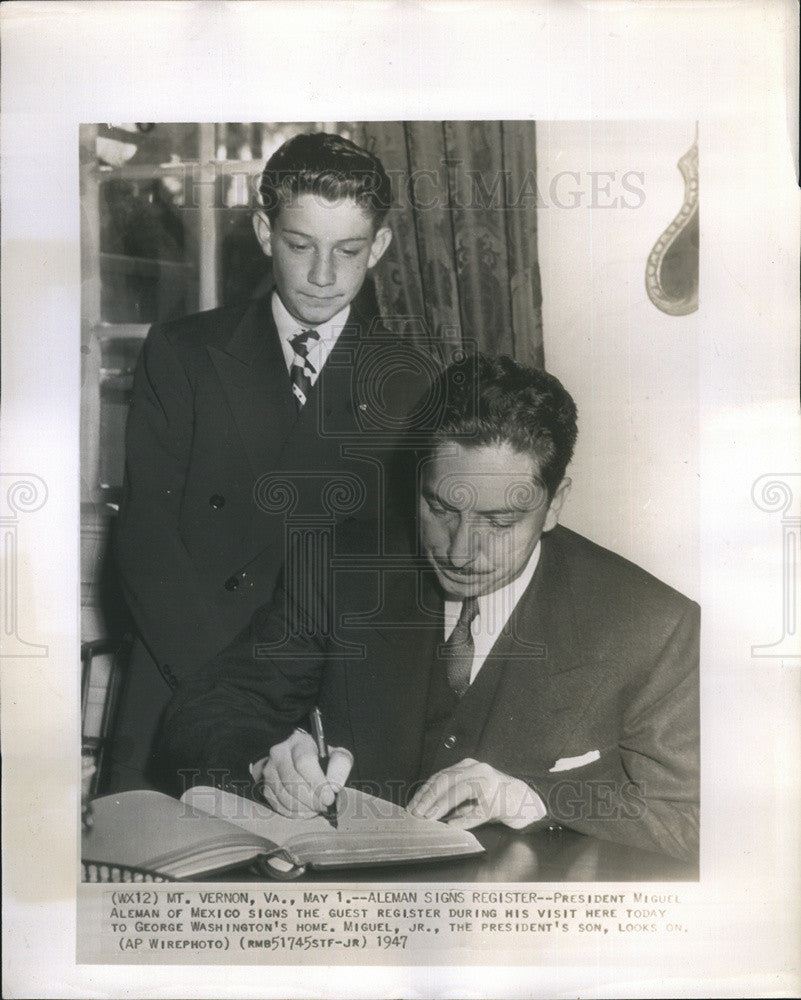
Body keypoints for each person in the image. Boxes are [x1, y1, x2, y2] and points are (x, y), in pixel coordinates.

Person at [160, 354, 700, 862]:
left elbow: (695, 817)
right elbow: (206, 707)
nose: (461, 551)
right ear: (416, 481)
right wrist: (265, 758)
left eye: (500, 522)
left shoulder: (652, 626)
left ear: (555, 503)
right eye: (440, 507)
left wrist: (537, 797)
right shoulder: (341, 570)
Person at [110, 131, 431, 792]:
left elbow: (393, 581)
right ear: (262, 231)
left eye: (346, 251)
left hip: (322, 707)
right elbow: (145, 539)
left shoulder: (411, 383)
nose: (322, 275)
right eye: (298, 245)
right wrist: (231, 710)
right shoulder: (184, 353)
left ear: (378, 246)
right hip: (182, 679)